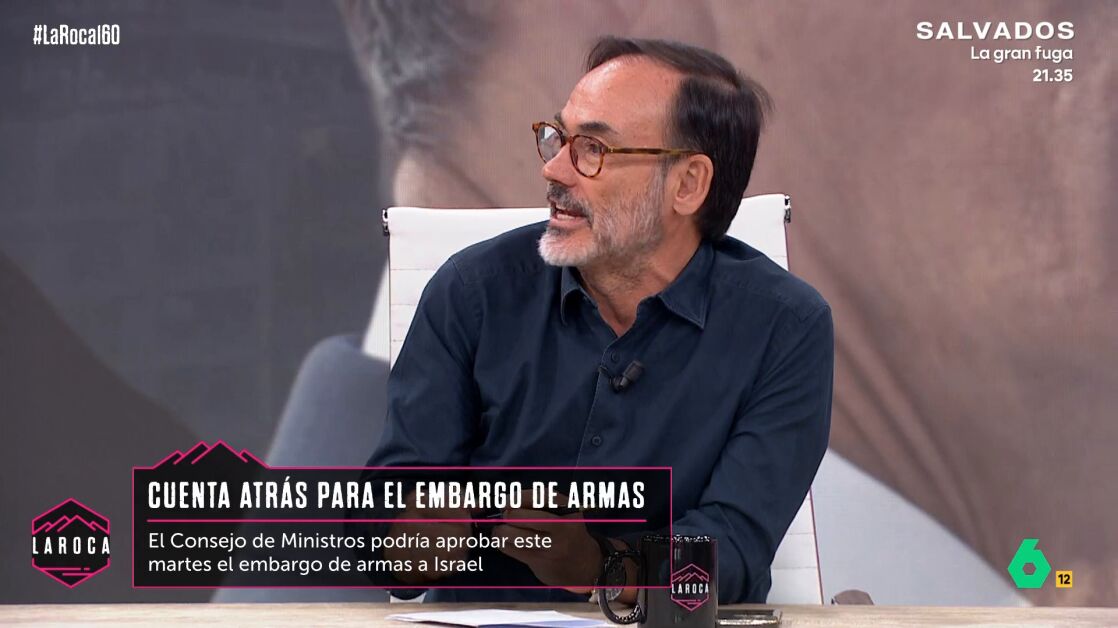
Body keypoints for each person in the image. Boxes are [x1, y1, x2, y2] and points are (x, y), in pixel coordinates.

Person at [364, 37, 833, 604]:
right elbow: (388, 535)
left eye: (593, 148)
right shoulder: (471, 292)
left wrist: (601, 567)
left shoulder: (786, 327)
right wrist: (417, 538)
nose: (554, 169)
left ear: (688, 184)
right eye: (557, 138)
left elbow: (733, 546)